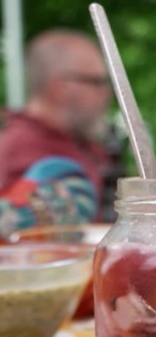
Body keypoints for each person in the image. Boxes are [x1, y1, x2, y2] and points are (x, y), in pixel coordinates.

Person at [0, 29, 113, 221]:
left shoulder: (79, 144)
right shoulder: (18, 149)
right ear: (60, 87)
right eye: (97, 82)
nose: (107, 93)